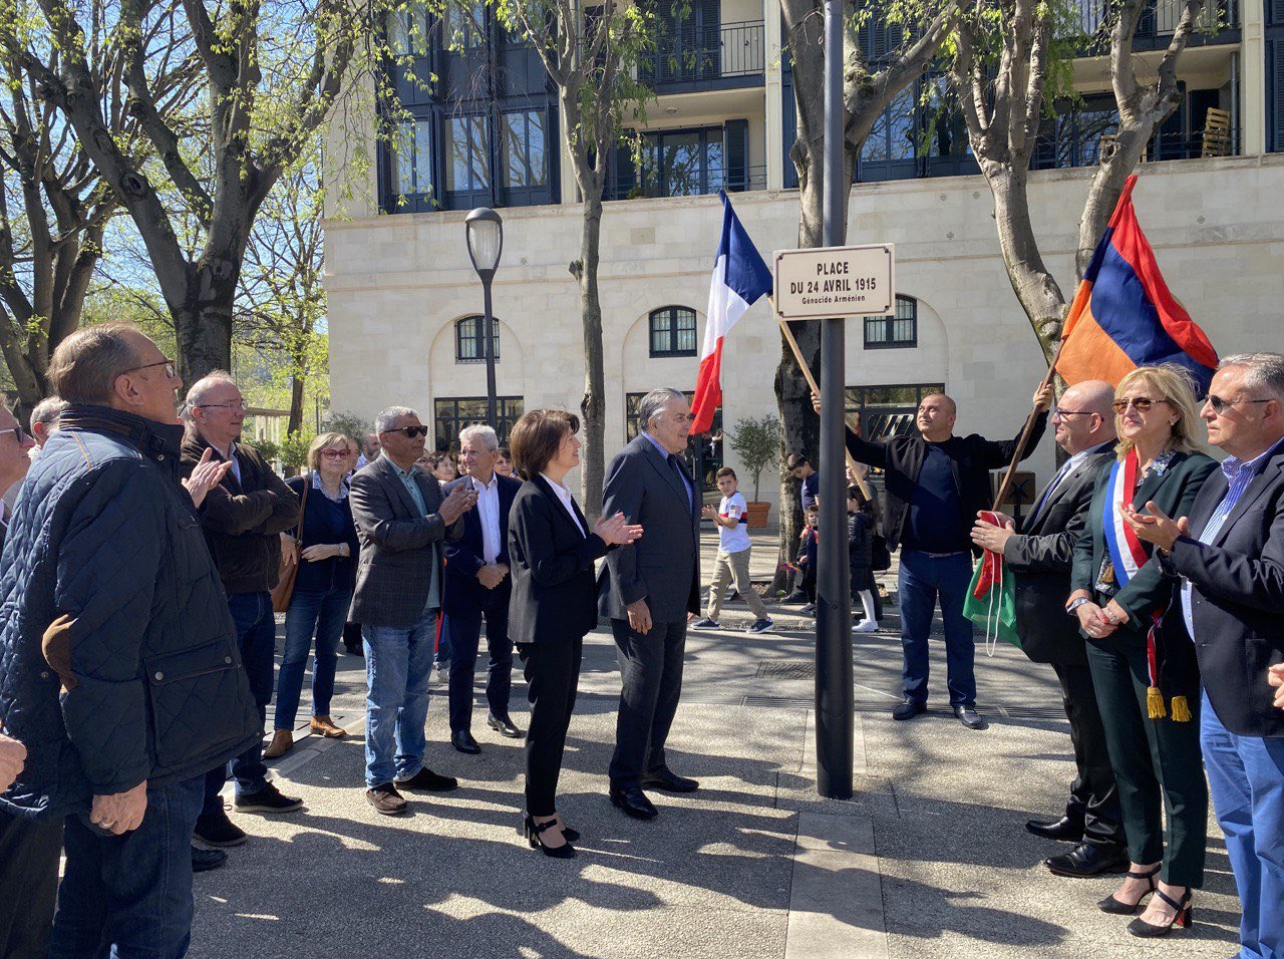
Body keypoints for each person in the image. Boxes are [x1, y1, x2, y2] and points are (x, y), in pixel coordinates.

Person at [0, 324, 259, 958]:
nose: (176, 380)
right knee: (149, 927)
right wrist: (121, 776)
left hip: (118, 733)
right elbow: (95, 638)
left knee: (87, 912)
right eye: (164, 369)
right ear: (128, 387)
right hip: (145, 743)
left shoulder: (71, 456)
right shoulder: (118, 471)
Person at [1123, 352, 1284, 956]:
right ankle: (1256, 943)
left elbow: (1274, 582)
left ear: (1269, 411)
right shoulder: (1223, 475)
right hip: (1213, 681)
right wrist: (1170, 548)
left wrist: (1180, 549)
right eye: (1207, 399)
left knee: (1275, 838)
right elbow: (1197, 564)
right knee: (1240, 829)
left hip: (1263, 685)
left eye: (1221, 401)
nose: (1207, 410)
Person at [1067, 365, 1217, 937]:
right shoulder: (1113, 469)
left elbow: (1175, 552)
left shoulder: (1198, 472)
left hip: (1158, 634)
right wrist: (1082, 597)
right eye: (1123, 403)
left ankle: (1178, 884)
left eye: (1143, 403)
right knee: (1125, 756)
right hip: (1102, 630)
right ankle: (1142, 863)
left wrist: (1121, 608)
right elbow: (1088, 542)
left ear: (1174, 411)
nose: (1128, 412)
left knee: (1171, 762)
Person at [819, 385, 1053, 729]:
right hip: (913, 563)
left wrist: (1039, 412)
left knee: (960, 636)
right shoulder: (899, 449)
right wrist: (830, 414)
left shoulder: (971, 450)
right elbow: (858, 448)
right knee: (912, 635)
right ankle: (914, 696)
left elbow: (1018, 448)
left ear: (951, 418)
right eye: (922, 408)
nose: (924, 413)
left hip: (957, 561)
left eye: (933, 409)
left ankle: (963, 700)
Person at [972, 380, 1127, 879]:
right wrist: (1016, 533)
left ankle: (1107, 839)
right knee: (1082, 721)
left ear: (1096, 421)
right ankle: (1082, 812)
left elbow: (1078, 547)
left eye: (1065, 413)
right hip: (1062, 626)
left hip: (1083, 621)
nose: (1055, 420)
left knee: (1099, 731)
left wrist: (1010, 545)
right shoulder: (1080, 462)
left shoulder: (1107, 468)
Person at [507, 410, 642, 856]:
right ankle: (539, 817)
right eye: (569, 439)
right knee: (547, 726)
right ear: (545, 447)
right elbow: (547, 570)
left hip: (562, 624)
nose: (578, 445)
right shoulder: (532, 498)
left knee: (557, 722)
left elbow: (569, 555)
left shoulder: (557, 492)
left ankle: (544, 808)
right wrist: (600, 541)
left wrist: (603, 538)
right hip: (544, 628)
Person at [182, 373, 304, 850]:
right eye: (229, 404)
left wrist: (254, 508)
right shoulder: (188, 457)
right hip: (218, 598)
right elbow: (227, 518)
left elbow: (291, 506)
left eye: (241, 402)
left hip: (257, 592)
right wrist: (262, 508)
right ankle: (206, 809)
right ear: (199, 413)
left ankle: (251, 783)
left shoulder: (247, 455)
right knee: (219, 705)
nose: (241, 411)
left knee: (255, 696)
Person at [349, 406, 476, 815]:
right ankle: (378, 779)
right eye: (411, 431)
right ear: (385, 438)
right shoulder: (367, 480)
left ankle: (411, 766)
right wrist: (442, 516)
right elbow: (386, 534)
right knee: (385, 698)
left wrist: (456, 510)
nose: (421, 436)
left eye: (422, 429)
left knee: (417, 694)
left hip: (427, 604)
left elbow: (447, 532)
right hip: (387, 605)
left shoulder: (424, 478)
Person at [599, 387, 702, 821]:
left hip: (674, 601)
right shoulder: (632, 459)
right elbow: (618, 534)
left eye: (688, 416)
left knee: (667, 688)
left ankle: (652, 765)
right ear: (653, 422)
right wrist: (633, 596)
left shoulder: (676, 462)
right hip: (641, 602)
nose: (688, 424)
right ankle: (624, 781)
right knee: (641, 693)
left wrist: (690, 594)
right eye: (680, 417)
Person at [264, 433, 361, 759]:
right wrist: (282, 537)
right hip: (305, 585)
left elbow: (363, 539)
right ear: (317, 456)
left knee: (328, 652)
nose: (338, 458)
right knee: (294, 655)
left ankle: (321, 716)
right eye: (331, 452)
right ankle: (283, 729)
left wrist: (335, 549)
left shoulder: (353, 493)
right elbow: (266, 515)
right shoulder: (299, 486)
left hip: (341, 585)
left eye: (343, 453)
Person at [441, 425, 523, 754]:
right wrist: (479, 569)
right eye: (463, 451)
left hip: (504, 583)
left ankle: (498, 713)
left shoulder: (515, 489)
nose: (465, 457)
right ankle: (460, 728)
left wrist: (502, 568)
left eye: (472, 451)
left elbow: (522, 537)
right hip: (464, 584)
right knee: (462, 660)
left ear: (493, 454)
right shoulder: (451, 492)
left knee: (502, 654)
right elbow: (444, 541)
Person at [693, 467, 773, 633]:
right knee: (717, 585)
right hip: (725, 550)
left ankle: (764, 619)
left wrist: (714, 516)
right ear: (718, 486)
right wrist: (714, 516)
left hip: (738, 550)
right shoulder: (725, 500)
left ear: (736, 482)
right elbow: (720, 524)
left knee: (743, 587)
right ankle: (712, 619)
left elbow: (732, 523)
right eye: (722, 483)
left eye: (729, 482)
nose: (726, 486)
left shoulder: (737, 500)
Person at [849, 486, 880, 633]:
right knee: (864, 591)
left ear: (854, 501)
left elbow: (854, 540)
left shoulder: (856, 519)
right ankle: (871, 620)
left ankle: (833, 618)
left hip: (855, 561)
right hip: (863, 560)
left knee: (846, 590)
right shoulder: (864, 517)